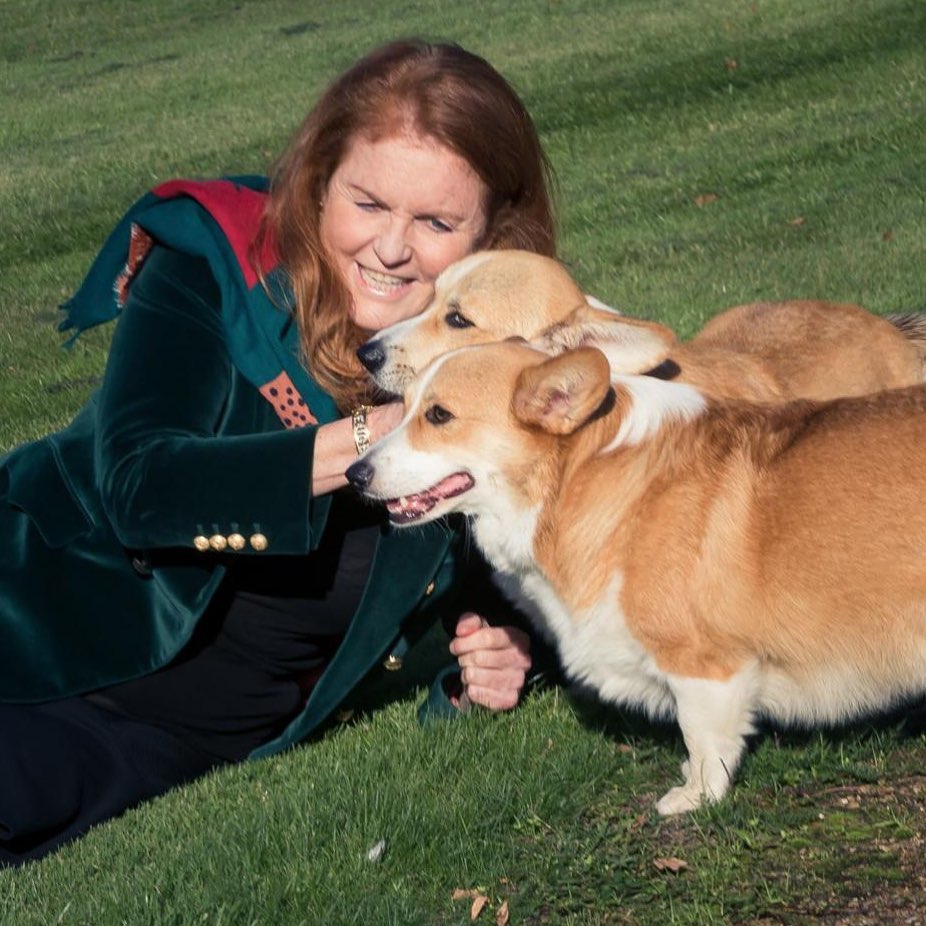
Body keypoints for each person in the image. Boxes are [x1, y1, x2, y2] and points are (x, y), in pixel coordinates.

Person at [0, 38, 558, 866]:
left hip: (171, 737)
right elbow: (139, 486)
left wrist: (514, 650)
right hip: (36, 618)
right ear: (319, 182)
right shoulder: (214, 270)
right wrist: (380, 435)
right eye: (367, 204)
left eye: (436, 223)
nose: (393, 249)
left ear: (494, 236)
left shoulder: (505, 379)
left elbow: (554, 568)